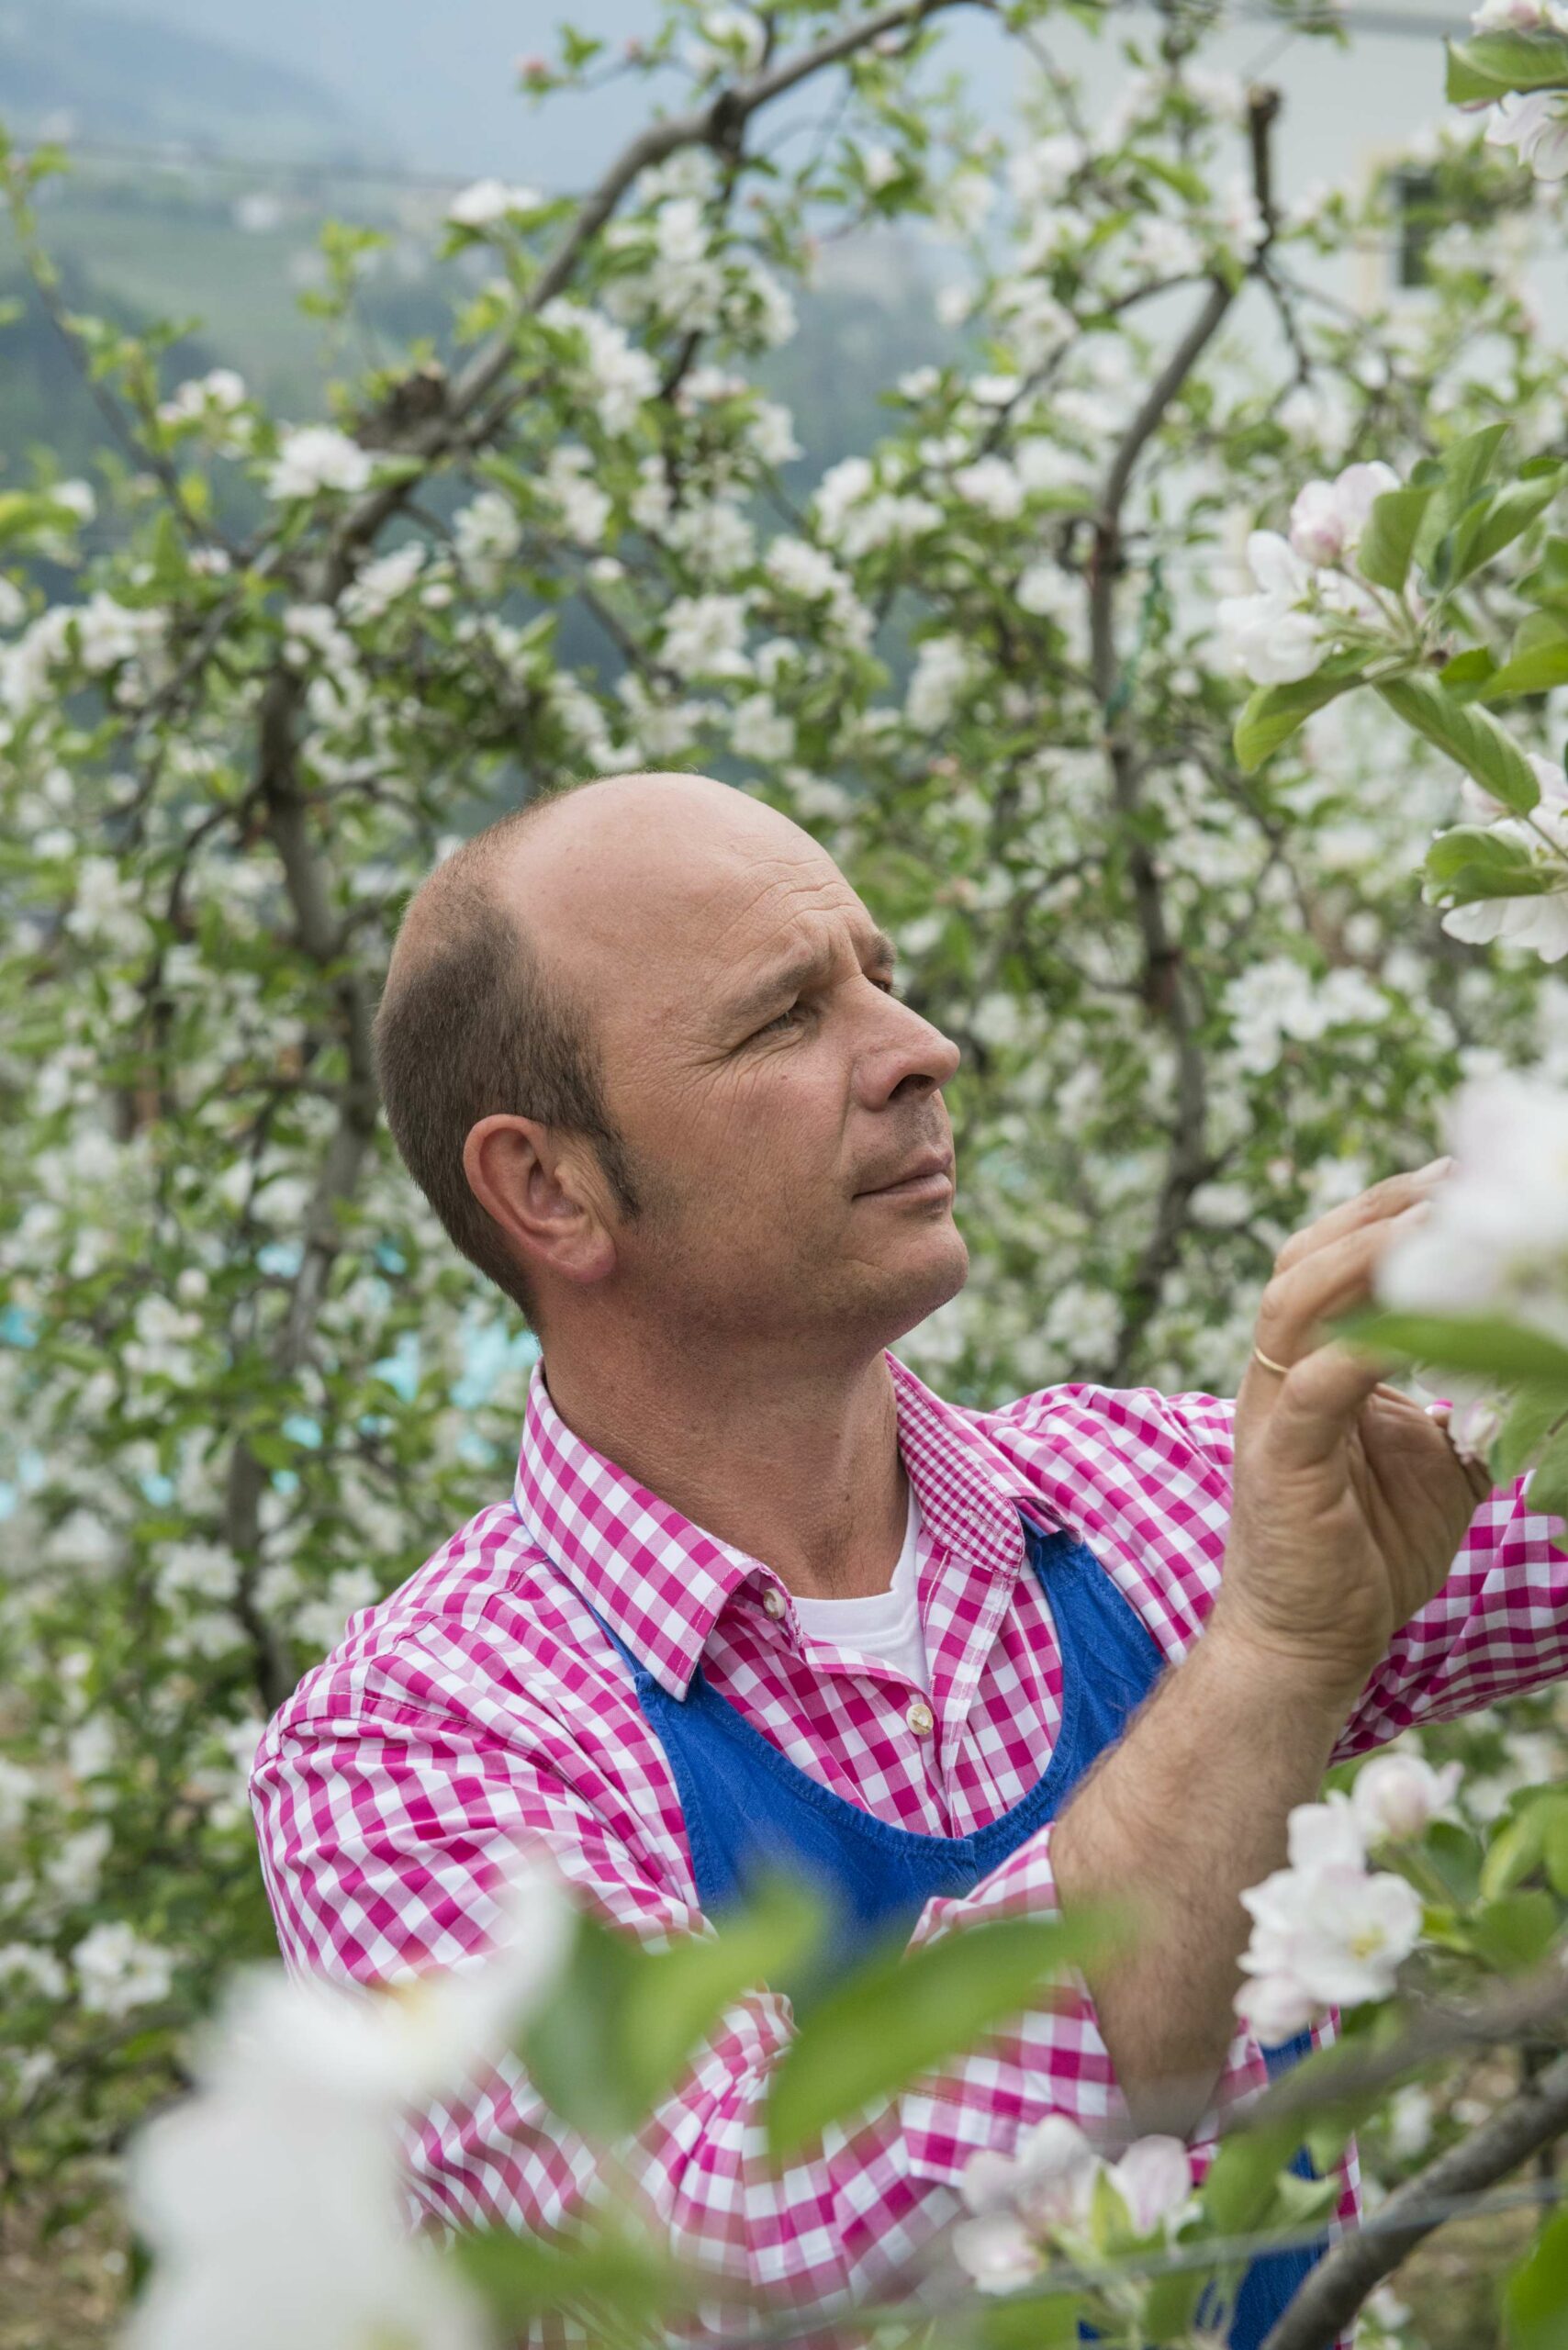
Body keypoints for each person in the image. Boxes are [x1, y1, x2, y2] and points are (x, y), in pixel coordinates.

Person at [252, 769, 1561, 2345]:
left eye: (880, 973)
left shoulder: (1122, 1495)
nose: (919, 1049)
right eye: (786, 1018)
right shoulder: (411, 1744)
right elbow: (738, 2260)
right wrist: (1275, 1655)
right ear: (550, 1187)